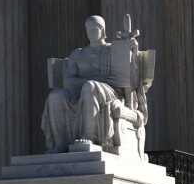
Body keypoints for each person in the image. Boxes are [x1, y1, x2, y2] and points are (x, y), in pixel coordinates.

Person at [41, 15, 130, 153]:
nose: (91, 32)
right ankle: (61, 143)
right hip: (83, 90)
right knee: (55, 96)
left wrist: (131, 48)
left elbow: (128, 68)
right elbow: (68, 81)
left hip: (109, 92)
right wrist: (93, 79)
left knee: (90, 86)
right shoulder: (78, 54)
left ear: (103, 30)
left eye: (95, 28)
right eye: (89, 29)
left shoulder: (112, 50)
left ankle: (89, 136)